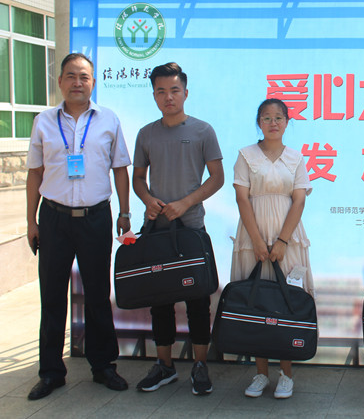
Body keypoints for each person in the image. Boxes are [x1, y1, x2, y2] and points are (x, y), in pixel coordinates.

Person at [25, 53, 131, 400]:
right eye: (70, 76)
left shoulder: (108, 119)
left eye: (84, 77)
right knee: (52, 296)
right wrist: (31, 221)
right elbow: (35, 173)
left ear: (93, 82)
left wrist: (125, 213)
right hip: (53, 218)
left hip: (95, 218)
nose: (77, 83)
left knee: (98, 294)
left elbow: (120, 168)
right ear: (60, 82)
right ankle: (51, 372)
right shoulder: (43, 121)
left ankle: (104, 366)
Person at [132, 62, 224, 396]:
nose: (168, 97)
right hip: (157, 229)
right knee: (160, 301)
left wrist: (185, 203)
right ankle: (165, 366)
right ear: (154, 95)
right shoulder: (146, 134)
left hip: (191, 229)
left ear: (185, 92)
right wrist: (147, 199)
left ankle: (200, 366)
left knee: (197, 301)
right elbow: (138, 178)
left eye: (174, 90)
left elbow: (217, 178)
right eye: (161, 91)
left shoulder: (203, 131)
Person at [232, 98, 313, 399]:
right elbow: (242, 198)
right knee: (256, 302)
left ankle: (286, 375)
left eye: (279, 117)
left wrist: (282, 241)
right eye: (266, 118)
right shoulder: (246, 155)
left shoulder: (296, 158)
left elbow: (299, 200)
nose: (273, 123)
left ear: (287, 122)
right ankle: (260, 373)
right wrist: (256, 240)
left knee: (285, 302)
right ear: (259, 123)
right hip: (252, 234)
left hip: (287, 236)